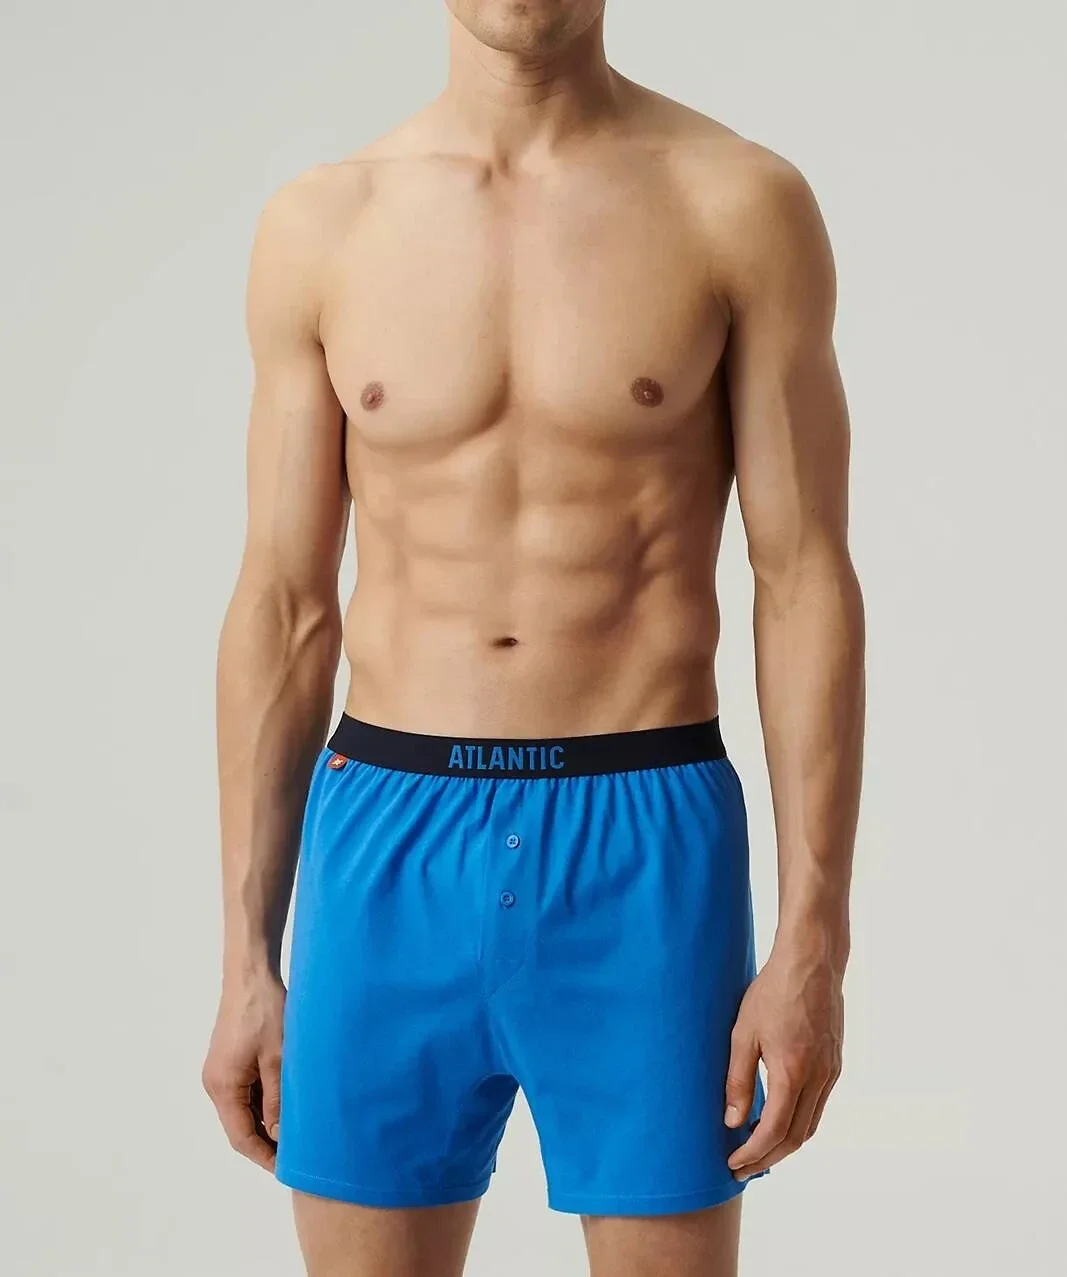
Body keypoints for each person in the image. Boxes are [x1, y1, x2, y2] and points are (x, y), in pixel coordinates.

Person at [202, 3, 865, 1274]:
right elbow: (284, 606)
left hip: (643, 841)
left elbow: (801, 580)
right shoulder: (322, 225)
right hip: (386, 839)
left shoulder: (736, 204)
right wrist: (245, 955)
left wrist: (813, 942)